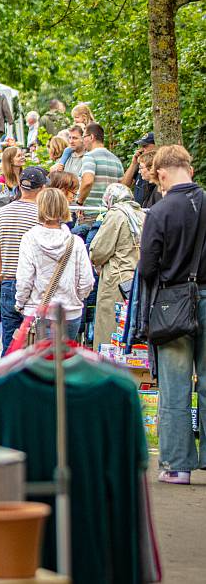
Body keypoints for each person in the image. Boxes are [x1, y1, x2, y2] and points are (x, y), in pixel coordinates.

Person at [137, 145, 206, 484]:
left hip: (172, 303)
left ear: (161, 174)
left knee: (175, 385)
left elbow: (147, 267)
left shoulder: (160, 211)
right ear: (189, 170)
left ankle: (178, 465)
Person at [14, 188, 94, 340]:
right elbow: (87, 282)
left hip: (37, 312)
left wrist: (20, 303)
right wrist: (74, 298)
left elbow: (24, 280)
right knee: (64, 355)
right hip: (69, 313)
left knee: (38, 356)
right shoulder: (75, 242)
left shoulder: (30, 239)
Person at [0, 167, 47, 351]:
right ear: (42, 188)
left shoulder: (2, 212)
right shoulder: (43, 215)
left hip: (8, 282)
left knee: (9, 343)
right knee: (35, 344)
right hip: (35, 285)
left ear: (20, 186)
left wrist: (4, 277)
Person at [90, 183, 144, 348]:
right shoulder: (142, 214)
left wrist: (95, 259)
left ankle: (107, 364)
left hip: (117, 280)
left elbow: (99, 251)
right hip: (139, 278)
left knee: (110, 330)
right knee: (133, 331)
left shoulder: (116, 214)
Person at [76, 122, 125, 217]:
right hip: (110, 215)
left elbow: (88, 181)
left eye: (84, 137)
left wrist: (80, 203)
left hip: (91, 212)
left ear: (91, 137)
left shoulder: (89, 156)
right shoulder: (116, 160)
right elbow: (121, 187)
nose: (82, 141)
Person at [122, 132, 157, 205]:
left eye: (145, 146)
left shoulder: (158, 167)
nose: (141, 149)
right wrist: (133, 163)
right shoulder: (140, 164)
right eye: (141, 146)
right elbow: (124, 186)